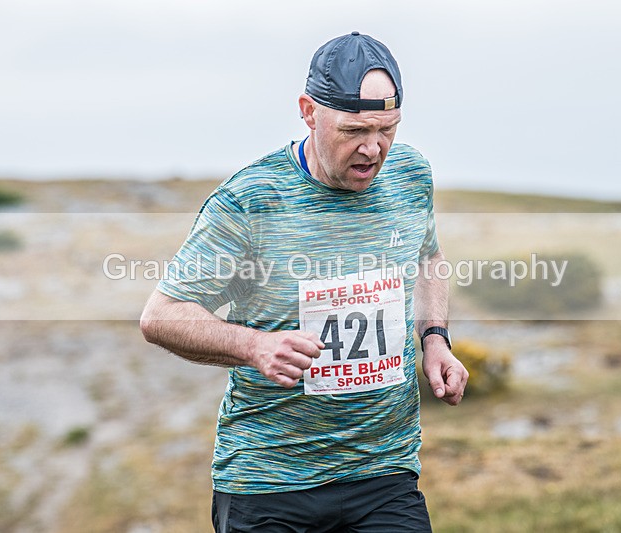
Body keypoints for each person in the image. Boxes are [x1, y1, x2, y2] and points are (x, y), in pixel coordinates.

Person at [140, 31, 468, 532]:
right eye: (354, 129)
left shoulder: (411, 175)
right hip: (271, 480)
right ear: (309, 111)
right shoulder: (251, 200)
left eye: (387, 128)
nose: (372, 148)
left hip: (384, 471)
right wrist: (253, 346)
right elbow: (161, 316)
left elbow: (428, 258)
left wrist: (435, 339)